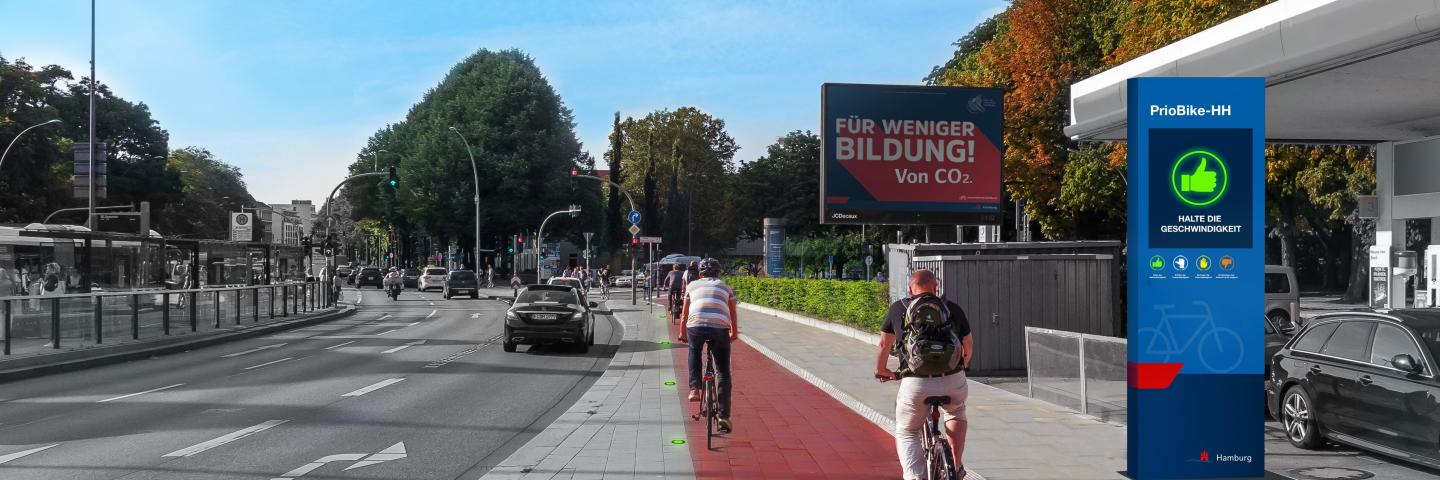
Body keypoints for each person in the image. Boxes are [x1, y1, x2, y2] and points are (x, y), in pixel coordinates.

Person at [875, 268, 973, 480]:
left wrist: (882, 370)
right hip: (953, 378)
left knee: (908, 430)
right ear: (935, 288)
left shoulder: (898, 308)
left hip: (915, 382)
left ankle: (914, 477)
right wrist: (960, 367)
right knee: (956, 412)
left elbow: (884, 344)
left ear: (911, 288)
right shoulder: (951, 309)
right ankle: (955, 468)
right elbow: (968, 346)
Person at [676, 258, 738, 433]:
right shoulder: (725, 287)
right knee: (723, 372)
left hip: (695, 325)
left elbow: (685, 312)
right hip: (719, 328)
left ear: (700, 273)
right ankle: (724, 416)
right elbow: (732, 312)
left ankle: (695, 389)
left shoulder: (692, 286)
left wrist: (682, 332)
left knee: (694, 351)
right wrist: (734, 332)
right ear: (718, 273)